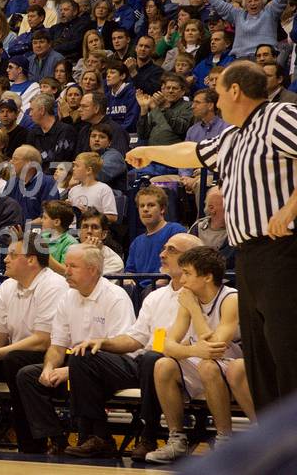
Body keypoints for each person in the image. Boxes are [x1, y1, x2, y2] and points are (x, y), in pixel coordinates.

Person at [126, 60, 297, 412]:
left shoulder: (279, 116)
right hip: (249, 254)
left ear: (235, 90)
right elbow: (193, 152)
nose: (216, 103)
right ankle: (277, 448)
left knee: (287, 349)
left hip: (285, 249)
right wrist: (149, 151)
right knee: (260, 356)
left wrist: (291, 207)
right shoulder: (233, 136)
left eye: (218, 93)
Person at [68, 233, 203, 460]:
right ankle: (99, 436)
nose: (162, 254)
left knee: (154, 358)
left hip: (181, 366)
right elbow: (134, 339)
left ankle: (149, 436)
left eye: (171, 250)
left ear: (192, 260)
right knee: (83, 354)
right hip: (144, 362)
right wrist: (103, 343)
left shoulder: (202, 297)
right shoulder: (155, 296)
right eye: (163, 248)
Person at [15, 244, 136, 454]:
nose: (66, 271)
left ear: (92, 270)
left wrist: (70, 370)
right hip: (80, 367)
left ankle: (99, 437)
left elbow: (121, 346)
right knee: (28, 376)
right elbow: (57, 345)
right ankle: (57, 439)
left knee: (82, 358)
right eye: (66, 265)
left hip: (117, 368)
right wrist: (50, 367)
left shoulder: (115, 296)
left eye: (73, 266)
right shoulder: (67, 297)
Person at [0, 236, 68, 451]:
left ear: (31, 260)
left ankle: (31, 445)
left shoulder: (53, 285)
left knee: (15, 362)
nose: (5, 259)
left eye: (12, 255)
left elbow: (42, 340)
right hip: (13, 352)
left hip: (49, 355)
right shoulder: (7, 287)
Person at [146, 247, 243, 464]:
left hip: (233, 367)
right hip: (202, 362)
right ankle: (176, 439)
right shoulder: (189, 298)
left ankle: (224, 440)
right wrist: (193, 351)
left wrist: (193, 309)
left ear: (207, 276)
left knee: (208, 365)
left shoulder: (230, 299)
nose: (183, 278)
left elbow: (214, 346)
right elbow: (166, 344)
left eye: (188, 273)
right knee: (163, 365)